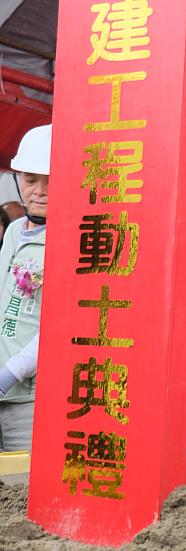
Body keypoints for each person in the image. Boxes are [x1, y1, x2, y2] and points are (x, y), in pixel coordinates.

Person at [0, 125, 50, 451]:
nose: (40, 191)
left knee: (23, 488)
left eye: (51, 181)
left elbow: (57, 327)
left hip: (30, 399)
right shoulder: (15, 230)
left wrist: (10, 374)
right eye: (31, 180)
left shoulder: (72, 237)